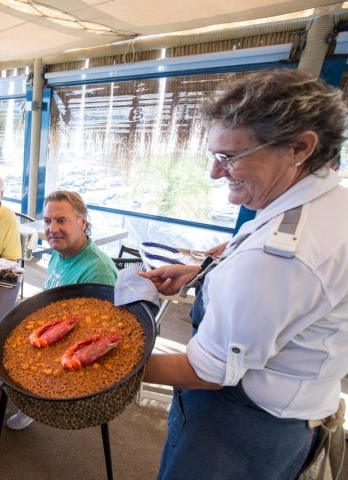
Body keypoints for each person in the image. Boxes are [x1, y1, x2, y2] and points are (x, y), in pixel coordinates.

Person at [139, 69, 348, 479]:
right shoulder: (328, 200)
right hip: (293, 412)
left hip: (238, 429)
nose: (216, 173)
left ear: (300, 147)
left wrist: (104, 367)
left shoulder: (281, 256)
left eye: (230, 157)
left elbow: (208, 372)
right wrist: (203, 273)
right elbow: (269, 281)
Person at [0, 190, 119, 438]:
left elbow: (96, 339)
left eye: (62, 220)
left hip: (67, 360)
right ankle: (13, 400)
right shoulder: (61, 254)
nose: (52, 229)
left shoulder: (99, 271)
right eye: (48, 221)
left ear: (82, 223)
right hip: (52, 335)